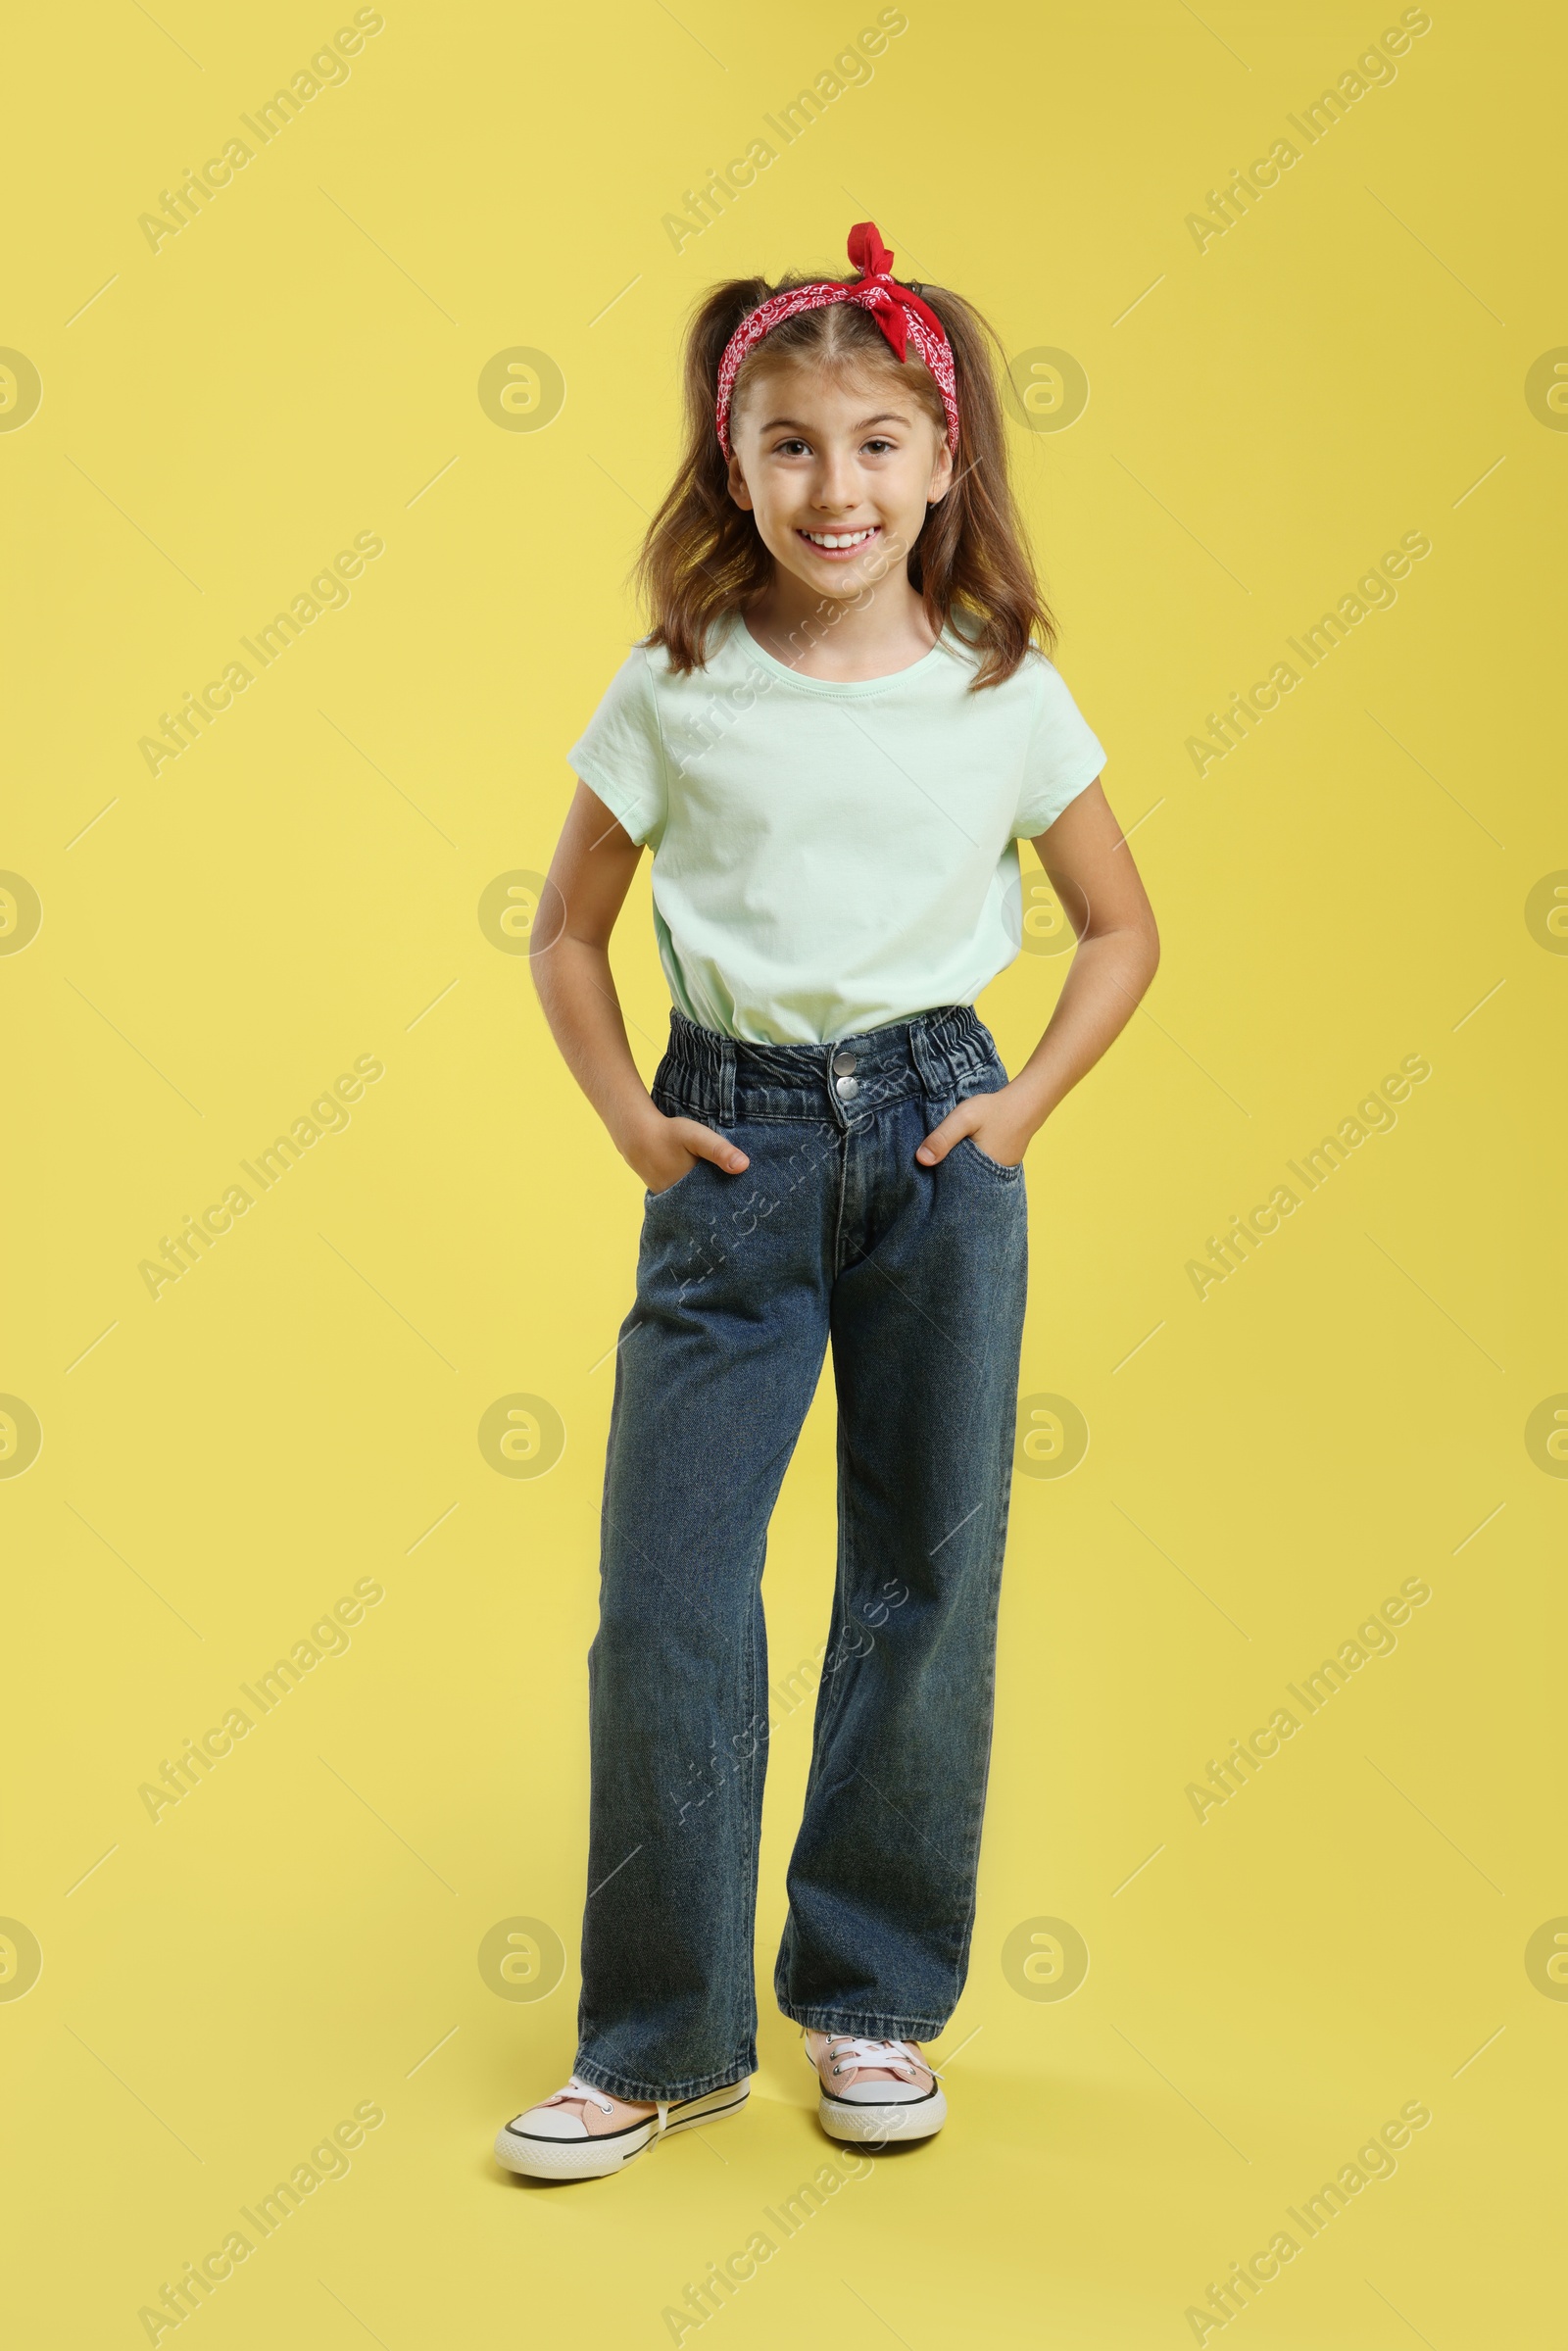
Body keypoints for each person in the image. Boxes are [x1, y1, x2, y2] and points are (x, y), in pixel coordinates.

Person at [495, 221, 1158, 2182]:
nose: (834, 487)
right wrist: (632, 1124)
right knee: (670, 1603)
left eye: (876, 443)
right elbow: (560, 934)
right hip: (730, 1146)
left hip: (940, 1150)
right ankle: (654, 2038)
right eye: (787, 446)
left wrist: (1020, 1108)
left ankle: (867, 2007)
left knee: (917, 1585)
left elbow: (1119, 931)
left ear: (942, 464)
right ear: (732, 463)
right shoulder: (677, 681)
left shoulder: (1005, 692)